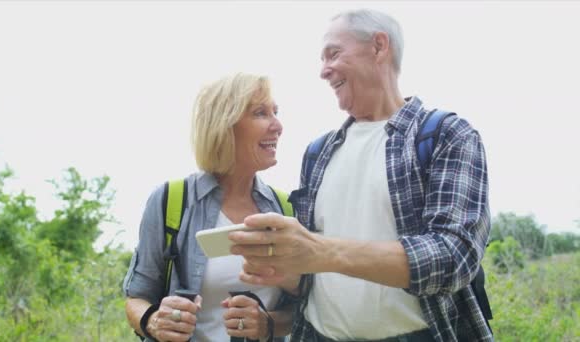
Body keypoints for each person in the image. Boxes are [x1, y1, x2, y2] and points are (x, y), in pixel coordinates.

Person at [229, 9, 492, 342]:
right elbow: (316, 271)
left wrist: (319, 251)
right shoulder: (318, 152)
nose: (323, 71)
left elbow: (454, 257)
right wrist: (289, 271)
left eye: (333, 54)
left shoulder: (446, 134)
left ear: (379, 47)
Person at [123, 72, 297, 342]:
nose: (278, 125)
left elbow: (306, 308)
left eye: (276, 112)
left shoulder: (286, 209)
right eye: (261, 113)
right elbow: (137, 297)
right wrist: (154, 321)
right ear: (224, 125)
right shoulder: (170, 200)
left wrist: (268, 323)